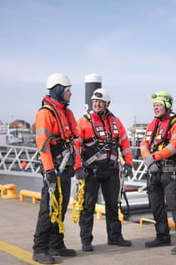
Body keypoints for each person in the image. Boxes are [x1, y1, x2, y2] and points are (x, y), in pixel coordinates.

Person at [75, 88, 134, 252]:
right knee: (88, 206)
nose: (96, 104)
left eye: (100, 102)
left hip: (112, 171)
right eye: (94, 101)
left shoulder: (116, 122)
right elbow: (76, 146)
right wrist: (77, 167)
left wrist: (128, 163)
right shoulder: (83, 121)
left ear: (107, 104)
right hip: (91, 172)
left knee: (113, 205)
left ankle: (115, 237)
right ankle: (86, 240)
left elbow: (125, 143)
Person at [32, 73, 81, 264]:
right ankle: (39, 249)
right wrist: (49, 170)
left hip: (66, 169)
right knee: (48, 209)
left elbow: (75, 142)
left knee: (60, 209)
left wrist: (77, 167)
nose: (70, 94)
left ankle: (56, 244)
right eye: (68, 90)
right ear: (59, 90)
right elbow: (43, 145)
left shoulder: (67, 113)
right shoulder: (45, 114)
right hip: (54, 170)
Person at [140, 91, 176, 255]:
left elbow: (174, 146)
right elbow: (143, 143)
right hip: (154, 172)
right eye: (154, 105)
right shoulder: (152, 124)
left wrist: (153, 157)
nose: (155, 108)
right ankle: (162, 236)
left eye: (159, 104)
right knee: (156, 207)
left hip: (170, 173)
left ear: (167, 105)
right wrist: (147, 157)